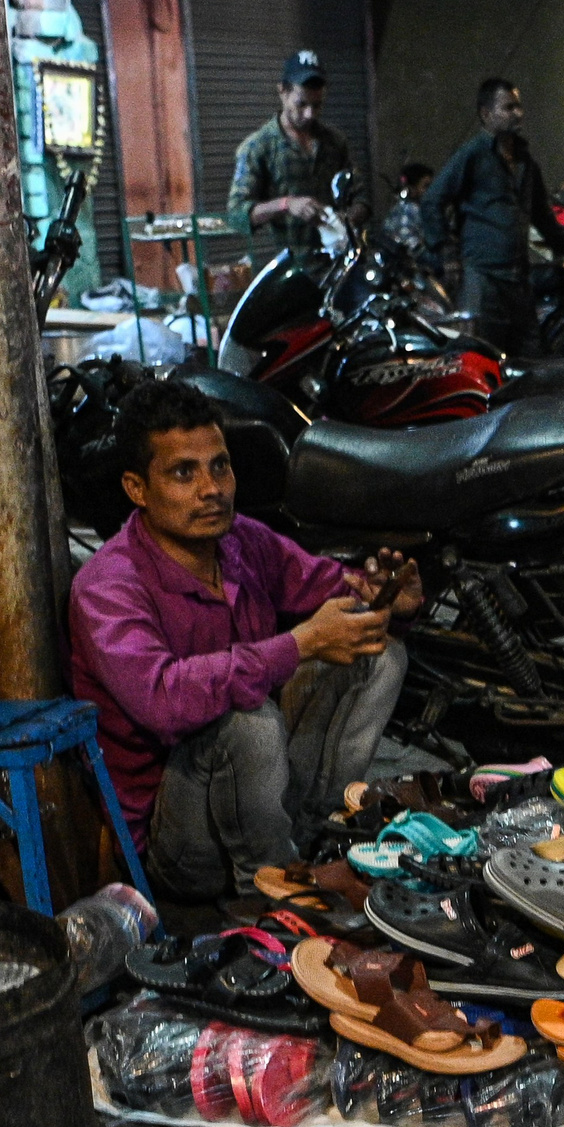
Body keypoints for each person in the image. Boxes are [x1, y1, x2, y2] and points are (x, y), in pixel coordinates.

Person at [67, 382, 422, 900]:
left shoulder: (242, 542)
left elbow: (338, 589)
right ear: (137, 489)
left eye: (220, 466)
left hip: (258, 803)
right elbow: (164, 700)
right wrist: (298, 644)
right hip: (175, 845)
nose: (212, 489)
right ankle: (271, 902)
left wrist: (391, 602)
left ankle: (304, 845)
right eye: (183, 473)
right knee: (247, 724)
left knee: (379, 657)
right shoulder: (108, 585)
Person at [422, 80, 564, 356]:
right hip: (484, 280)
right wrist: (446, 251)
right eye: (508, 107)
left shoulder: (525, 162)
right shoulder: (473, 155)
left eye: (518, 106)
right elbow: (433, 200)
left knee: (529, 360)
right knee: (485, 357)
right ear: (486, 114)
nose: (518, 113)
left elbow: (542, 216)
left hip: (519, 281)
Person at [229, 49, 368, 264]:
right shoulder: (259, 147)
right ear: (282, 91)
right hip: (290, 270)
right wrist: (286, 204)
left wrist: (345, 221)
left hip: (338, 265)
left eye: (317, 105)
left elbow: (362, 197)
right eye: (301, 104)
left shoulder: (335, 142)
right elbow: (237, 215)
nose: (310, 114)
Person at [378, 162, 433, 269]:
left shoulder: (415, 209)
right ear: (412, 189)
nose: (430, 191)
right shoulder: (408, 211)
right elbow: (412, 246)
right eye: (426, 186)